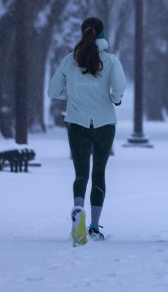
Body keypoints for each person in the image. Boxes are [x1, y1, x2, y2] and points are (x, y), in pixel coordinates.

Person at [48, 16, 127, 245]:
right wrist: (114, 98)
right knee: (99, 173)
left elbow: (53, 91)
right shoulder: (111, 61)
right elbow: (119, 88)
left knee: (81, 173)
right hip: (104, 124)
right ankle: (93, 225)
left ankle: (78, 211)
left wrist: (71, 97)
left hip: (77, 123)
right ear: (102, 34)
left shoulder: (69, 61)